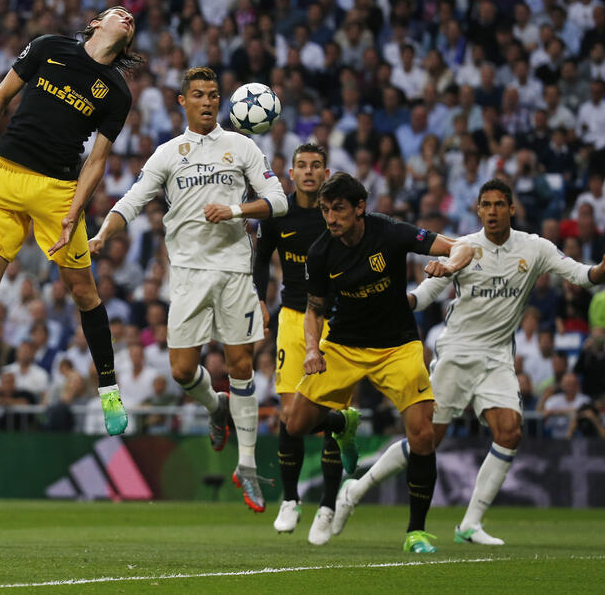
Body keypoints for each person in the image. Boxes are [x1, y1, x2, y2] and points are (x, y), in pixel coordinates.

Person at [334, 179, 605, 545]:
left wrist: (601, 269)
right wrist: (392, 304)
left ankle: (470, 524)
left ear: (512, 209)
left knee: (509, 431)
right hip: (457, 354)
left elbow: (580, 275)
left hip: (496, 357)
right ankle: (357, 488)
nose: (492, 211)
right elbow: (425, 296)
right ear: (478, 210)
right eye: (485, 205)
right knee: (426, 440)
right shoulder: (463, 248)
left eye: (498, 204)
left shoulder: (534, 247)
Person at [0, 6, 138, 435]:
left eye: (132, 19)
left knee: (83, 291)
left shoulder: (117, 91)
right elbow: (2, 95)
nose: (127, 16)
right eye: (118, 12)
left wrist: (74, 211)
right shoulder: (50, 47)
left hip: (57, 191)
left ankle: (109, 391)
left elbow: (97, 160)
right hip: (5, 175)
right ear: (96, 23)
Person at [90, 66, 287, 509]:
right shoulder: (167, 154)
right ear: (182, 101)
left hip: (236, 271)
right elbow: (133, 200)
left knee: (240, 365)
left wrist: (236, 211)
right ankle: (216, 408)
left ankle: (249, 468)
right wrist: (103, 233)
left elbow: (279, 201)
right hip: (188, 274)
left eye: (214, 94)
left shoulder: (243, 146)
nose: (207, 101)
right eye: (198, 94)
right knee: (181, 372)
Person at [288, 172, 472, 554]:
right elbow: (314, 309)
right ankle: (342, 422)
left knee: (422, 436)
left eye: (338, 210)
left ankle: (416, 532)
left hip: (397, 346)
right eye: (325, 210)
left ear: (359, 208)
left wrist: (448, 265)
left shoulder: (390, 232)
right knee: (296, 423)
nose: (331, 218)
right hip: (343, 345)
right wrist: (311, 349)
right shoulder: (321, 251)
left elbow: (463, 248)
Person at [253, 144, 339, 544]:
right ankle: (290, 500)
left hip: (338, 323)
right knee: (291, 416)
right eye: (302, 166)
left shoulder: (337, 215)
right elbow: (261, 257)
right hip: (291, 317)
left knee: (329, 416)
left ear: (326, 172)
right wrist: (258, 299)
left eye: (315, 166)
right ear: (291, 173)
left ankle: (328, 506)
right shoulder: (279, 213)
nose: (308, 172)